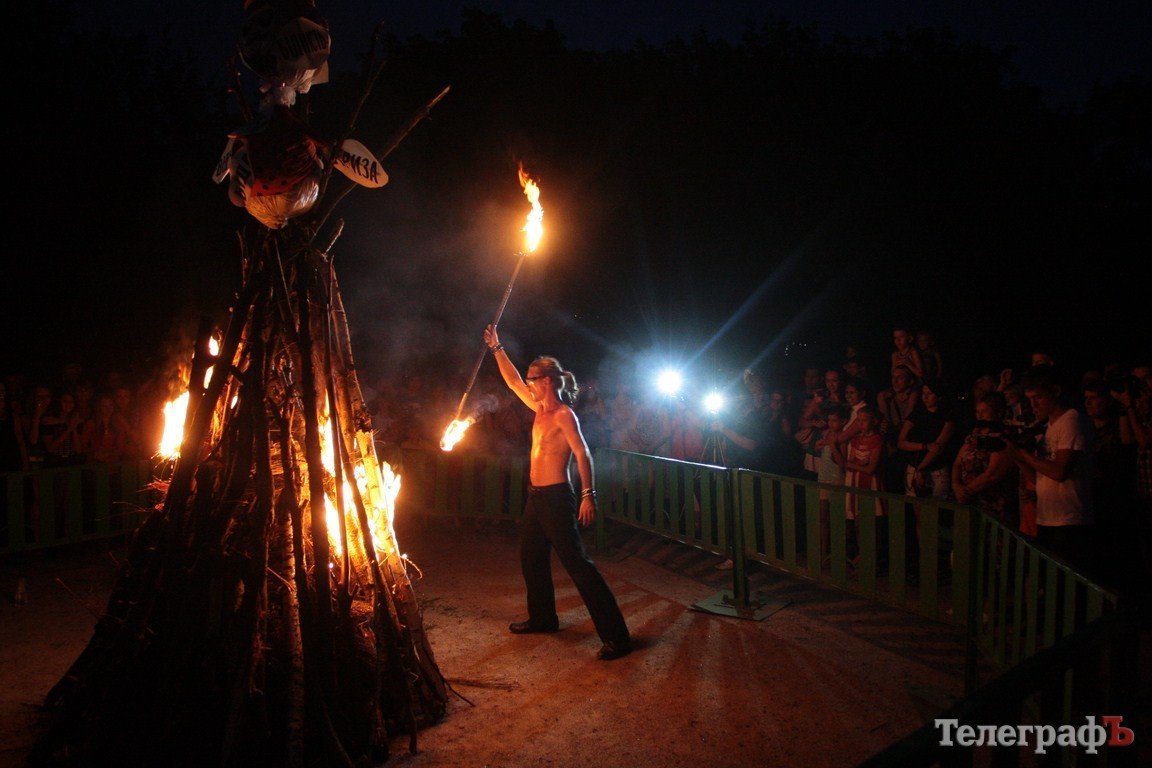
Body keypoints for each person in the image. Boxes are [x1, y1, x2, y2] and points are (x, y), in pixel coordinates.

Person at [483, 324, 631, 661]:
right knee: (531, 558)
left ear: (547, 382)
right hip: (536, 498)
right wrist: (497, 348)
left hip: (556, 498)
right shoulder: (539, 410)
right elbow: (511, 381)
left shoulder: (564, 416)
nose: (529, 383)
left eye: (533, 378)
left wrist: (588, 494)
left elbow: (583, 453)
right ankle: (544, 618)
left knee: (578, 565)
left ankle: (617, 637)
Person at [1002, 366, 1095, 570]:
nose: (1033, 405)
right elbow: (1040, 479)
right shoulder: (1050, 426)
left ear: (1056, 391)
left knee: (1066, 585)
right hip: (1047, 517)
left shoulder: (1071, 420)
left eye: (1038, 398)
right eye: (1030, 399)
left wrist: (1024, 454)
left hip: (1069, 520)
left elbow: (1059, 472)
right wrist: (1017, 458)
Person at [951, 391, 1018, 525]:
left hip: (990, 503)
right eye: (977, 411)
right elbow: (958, 463)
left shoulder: (1004, 437)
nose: (979, 415)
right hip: (968, 500)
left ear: (998, 413)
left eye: (984, 411)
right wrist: (955, 485)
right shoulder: (975, 434)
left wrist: (966, 492)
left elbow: (992, 474)